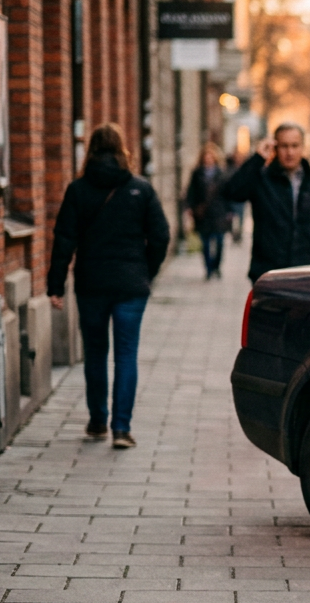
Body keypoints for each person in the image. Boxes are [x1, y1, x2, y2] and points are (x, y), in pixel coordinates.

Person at [47, 123, 170, 450]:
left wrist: (55, 285)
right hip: (131, 285)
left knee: (95, 353)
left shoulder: (78, 190)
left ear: (90, 151)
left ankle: (98, 421)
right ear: (122, 149)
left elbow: (64, 240)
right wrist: (147, 271)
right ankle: (122, 429)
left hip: (91, 284)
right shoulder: (140, 189)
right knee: (126, 355)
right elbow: (160, 236)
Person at [221, 122, 310, 283]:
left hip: (307, 270)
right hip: (268, 272)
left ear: (302, 147)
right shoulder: (262, 180)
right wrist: (258, 158)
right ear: (275, 148)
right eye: (284, 146)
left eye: (294, 146)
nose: (290, 152)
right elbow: (232, 192)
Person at [185, 143, 232, 279]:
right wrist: (190, 207)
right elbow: (191, 192)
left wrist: (230, 210)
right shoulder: (197, 173)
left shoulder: (222, 174)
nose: (208, 159)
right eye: (206, 157)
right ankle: (208, 268)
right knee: (205, 243)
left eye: (211, 157)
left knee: (219, 242)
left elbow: (228, 193)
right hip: (203, 213)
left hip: (219, 212)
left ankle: (217, 266)